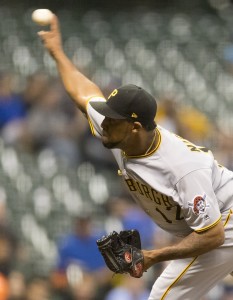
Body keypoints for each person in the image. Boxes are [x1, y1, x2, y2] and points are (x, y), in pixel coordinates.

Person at [37, 14, 233, 300]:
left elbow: (213, 235)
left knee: (162, 295)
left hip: (224, 224)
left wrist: (153, 255)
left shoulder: (182, 167)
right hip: (210, 224)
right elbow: (83, 93)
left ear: (135, 127)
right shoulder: (120, 134)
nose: (103, 123)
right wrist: (58, 54)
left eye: (112, 120)